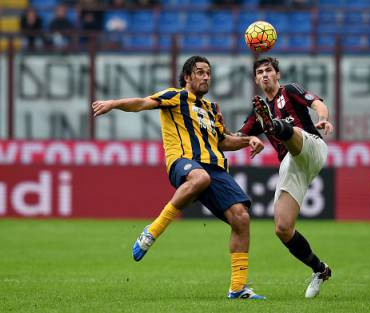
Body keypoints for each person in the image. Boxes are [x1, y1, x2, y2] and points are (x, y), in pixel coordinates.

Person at [92, 56, 266, 300]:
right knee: (200, 178)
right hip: (182, 160)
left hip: (215, 167)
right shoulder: (175, 96)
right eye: (200, 72)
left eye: (208, 73)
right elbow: (142, 103)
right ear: (187, 77)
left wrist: (249, 140)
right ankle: (152, 231)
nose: (206, 77)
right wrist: (113, 103)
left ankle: (238, 288)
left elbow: (223, 141)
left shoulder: (212, 109)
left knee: (241, 218)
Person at [237, 57, 333, 299]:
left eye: (269, 70)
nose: (265, 75)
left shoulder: (289, 91)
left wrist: (323, 118)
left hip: (312, 146)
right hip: (292, 163)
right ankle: (320, 270)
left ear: (277, 74)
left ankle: (276, 125)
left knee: (291, 131)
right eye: (260, 72)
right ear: (256, 79)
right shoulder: (256, 112)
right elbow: (236, 137)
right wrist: (249, 139)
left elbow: (317, 102)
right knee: (282, 228)